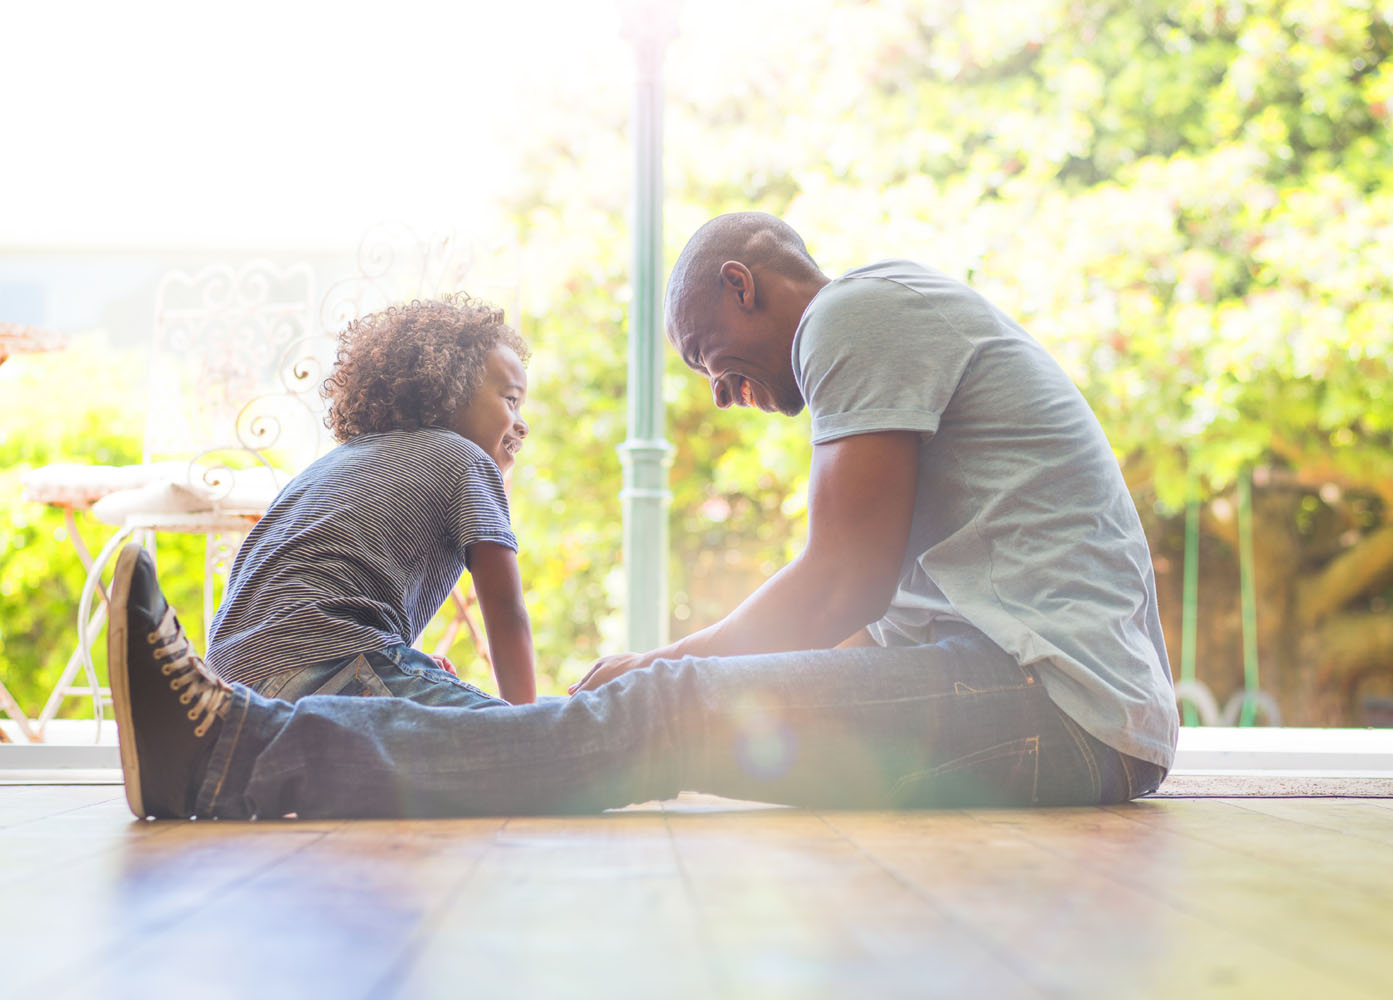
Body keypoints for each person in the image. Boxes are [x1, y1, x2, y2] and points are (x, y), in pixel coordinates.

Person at [109, 212, 1177, 822]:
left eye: (710, 357)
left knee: (673, 709)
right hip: (1042, 702)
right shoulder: (895, 327)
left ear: (740, 285)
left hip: (1054, 708)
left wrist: (665, 663)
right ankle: (243, 746)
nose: (720, 391)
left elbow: (837, 582)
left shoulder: (856, 312)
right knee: (677, 707)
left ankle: (235, 754)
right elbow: (872, 617)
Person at [205, 295, 537, 707]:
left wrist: (403, 667)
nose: (522, 425)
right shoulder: (465, 459)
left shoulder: (333, 464)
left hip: (231, 686)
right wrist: (526, 722)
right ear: (451, 390)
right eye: (511, 400)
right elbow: (506, 610)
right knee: (507, 738)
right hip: (331, 657)